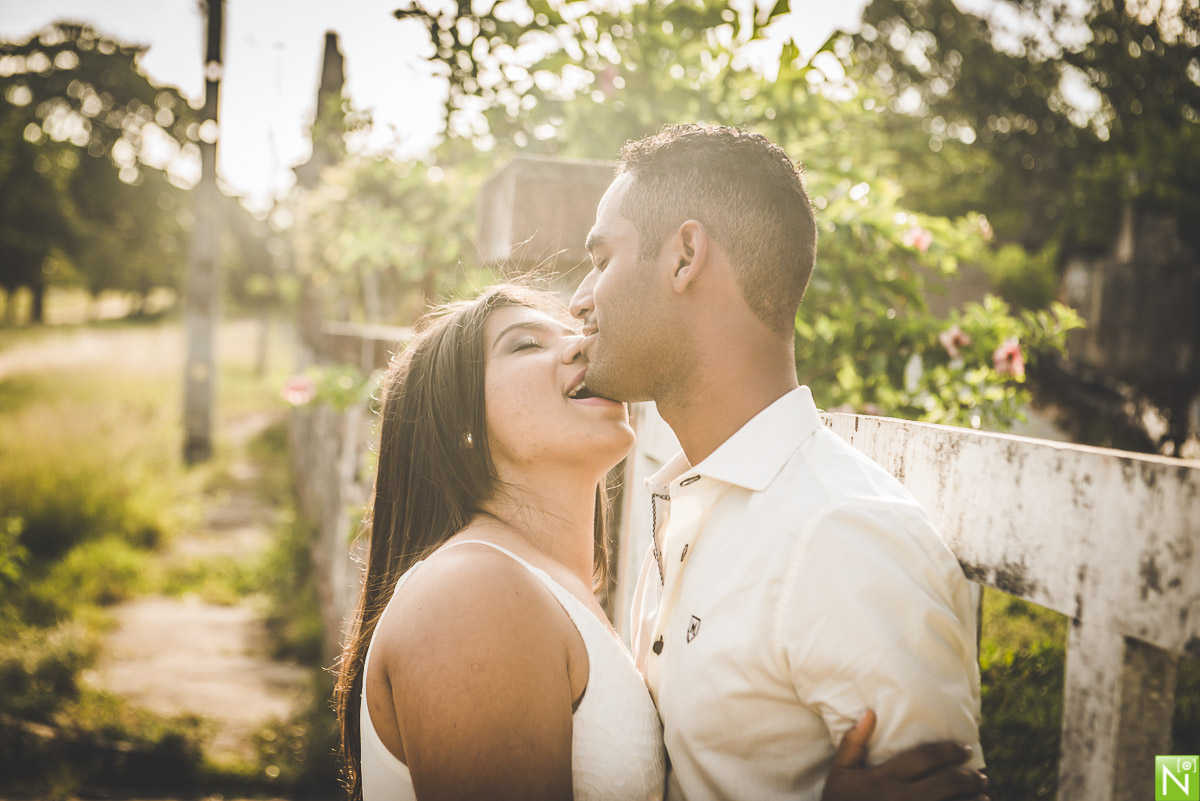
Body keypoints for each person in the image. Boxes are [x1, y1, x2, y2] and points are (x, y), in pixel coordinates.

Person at [568, 124, 989, 801]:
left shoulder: (843, 536)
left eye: (601, 258)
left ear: (684, 256)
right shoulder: (690, 498)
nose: (580, 299)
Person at [334, 285, 666, 801]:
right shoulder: (472, 593)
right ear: (459, 423)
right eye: (526, 345)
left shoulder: (549, 592)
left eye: (577, 333)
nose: (583, 346)